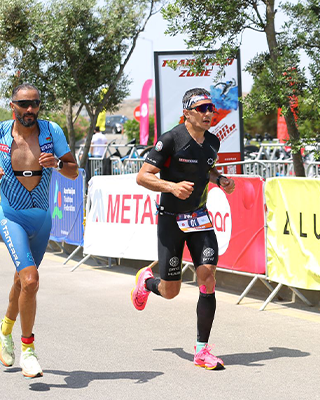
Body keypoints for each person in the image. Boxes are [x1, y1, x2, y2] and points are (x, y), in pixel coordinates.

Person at [0, 83, 79, 378]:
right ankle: (28, 350)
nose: (30, 109)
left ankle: (3, 330)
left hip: (42, 220)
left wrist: (57, 163)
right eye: (24, 104)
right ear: (13, 107)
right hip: (12, 217)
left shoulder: (51, 132)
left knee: (22, 282)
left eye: (35, 103)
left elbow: (73, 170)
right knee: (31, 280)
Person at [133, 88, 235, 370]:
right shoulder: (170, 140)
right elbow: (143, 176)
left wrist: (220, 180)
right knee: (170, 292)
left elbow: (206, 169)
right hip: (171, 220)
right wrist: (171, 187)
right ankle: (147, 281)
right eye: (202, 109)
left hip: (199, 218)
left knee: (208, 277)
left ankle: (202, 350)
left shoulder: (213, 141)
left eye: (211, 108)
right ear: (187, 113)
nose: (208, 113)